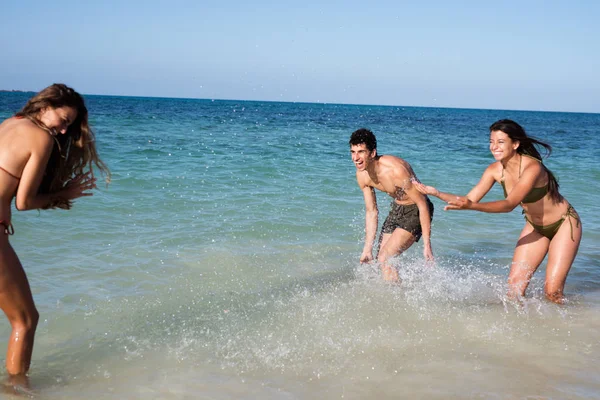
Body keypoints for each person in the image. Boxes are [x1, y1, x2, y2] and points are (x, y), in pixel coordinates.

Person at [0, 83, 109, 389]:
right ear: (46, 106)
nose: (63, 130)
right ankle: (16, 391)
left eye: (69, 126)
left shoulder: (10, 123)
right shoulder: (40, 138)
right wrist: (66, 193)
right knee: (25, 321)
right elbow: (24, 202)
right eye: (64, 120)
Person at [414, 119, 581, 304]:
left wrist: (471, 206)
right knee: (514, 290)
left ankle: (569, 323)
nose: (494, 147)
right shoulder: (494, 170)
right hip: (535, 226)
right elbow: (469, 199)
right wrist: (436, 193)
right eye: (491, 141)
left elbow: (509, 204)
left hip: (564, 225)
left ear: (515, 144)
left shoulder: (532, 168)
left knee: (552, 293)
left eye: (500, 142)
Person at [349, 128, 434, 282]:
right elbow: (371, 211)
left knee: (385, 258)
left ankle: (398, 296)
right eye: (353, 152)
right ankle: (397, 290)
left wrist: (427, 244)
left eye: (361, 152)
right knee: (379, 257)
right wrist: (367, 248)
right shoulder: (361, 175)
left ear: (372, 153)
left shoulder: (395, 171)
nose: (356, 157)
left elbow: (422, 204)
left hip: (416, 209)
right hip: (397, 209)